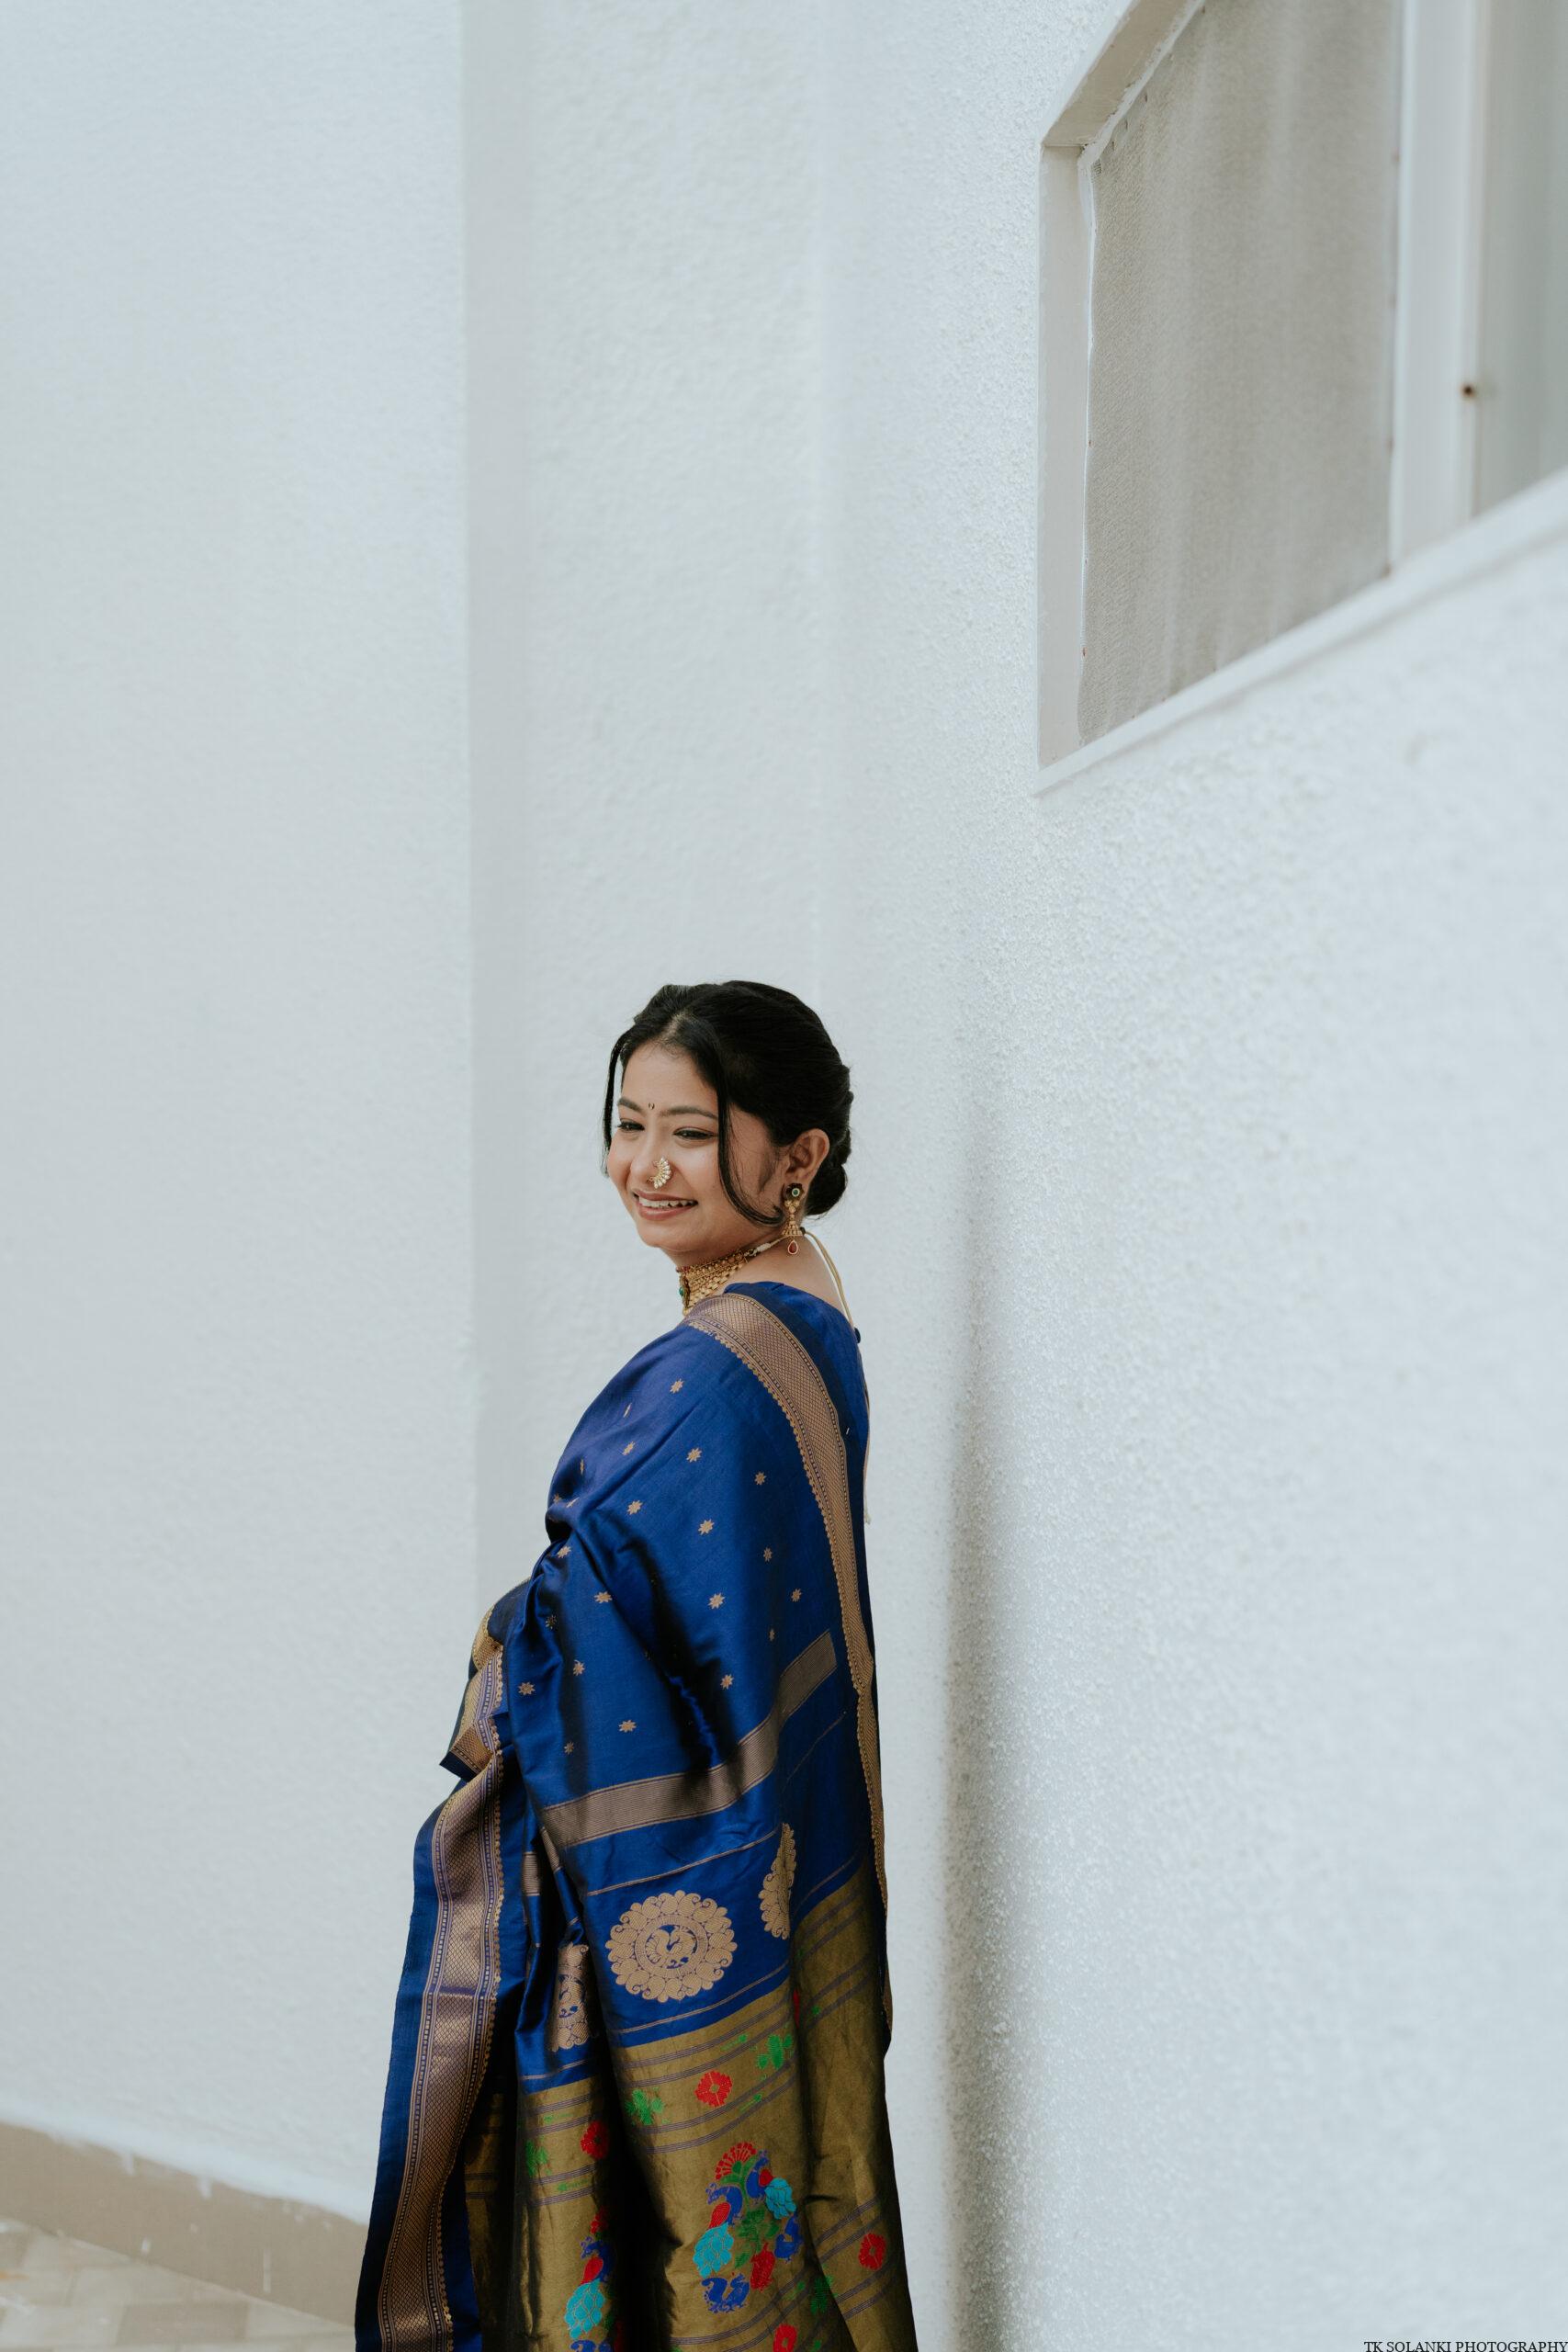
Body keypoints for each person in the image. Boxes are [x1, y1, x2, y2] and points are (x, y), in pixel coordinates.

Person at [355, 981, 918, 2352]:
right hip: (783, 1828)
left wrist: (509, 1641)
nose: (644, 1167)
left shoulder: (711, 1372)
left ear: (797, 1157)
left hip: (676, 1869)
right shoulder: (800, 1305)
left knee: (670, 2222)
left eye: (691, 1132)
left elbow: (577, 1617)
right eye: (627, 1124)